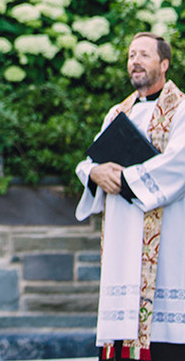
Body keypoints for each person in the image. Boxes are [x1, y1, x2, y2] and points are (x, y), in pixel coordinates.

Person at [75, 32, 185, 361]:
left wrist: (124, 179)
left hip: (167, 243)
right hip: (123, 242)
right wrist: (93, 173)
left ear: (164, 64)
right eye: (131, 55)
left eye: (144, 55)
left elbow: (179, 164)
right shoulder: (117, 114)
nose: (134, 61)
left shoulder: (180, 110)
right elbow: (89, 161)